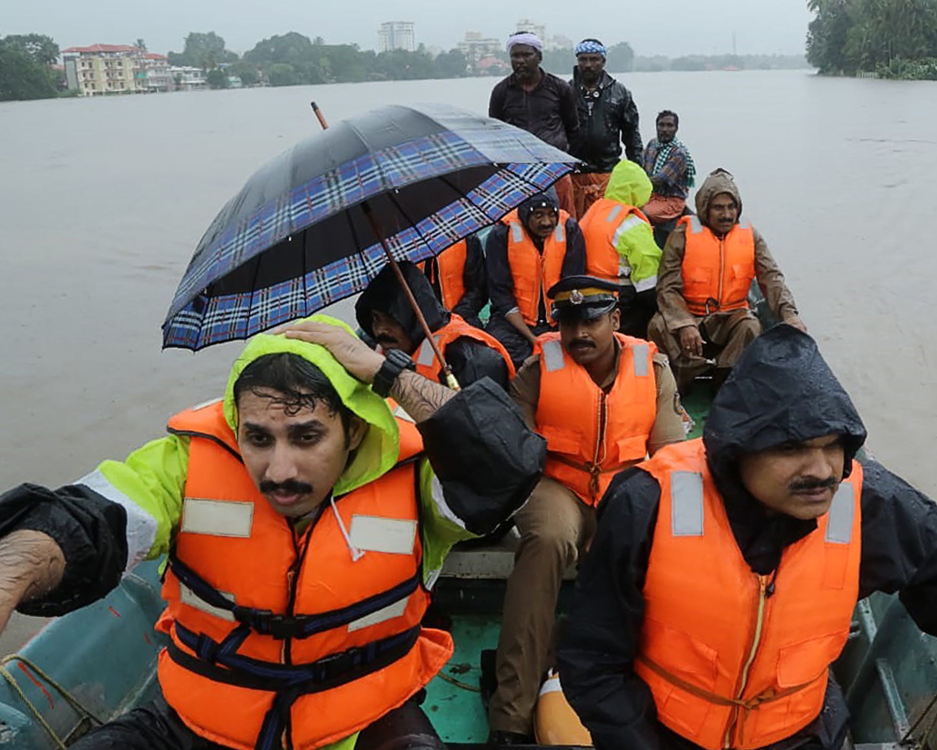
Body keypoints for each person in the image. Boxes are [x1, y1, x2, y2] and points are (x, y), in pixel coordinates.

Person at [0, 316, 545, 750]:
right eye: (258, 439)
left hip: (360, 721)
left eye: (307, 437)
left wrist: (388, 372)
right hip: (200, 718)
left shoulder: (417, 479)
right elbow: (89, 518)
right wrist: (12, 572)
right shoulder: (187, 464)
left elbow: (506, 463)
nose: (279, 470)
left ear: (353, 432)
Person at [557, 324, 937, 750]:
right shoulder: (648, 504)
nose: (823, 470)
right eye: (791, 448)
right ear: (735, 450)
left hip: (801, 732)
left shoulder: (872, 506)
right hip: (665, 732)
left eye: (834, 446)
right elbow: (593, 656)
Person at [488, 276, 688, 746]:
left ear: (616, 320)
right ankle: (511, 715)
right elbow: (517, 452)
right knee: (550, 539)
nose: (578, 333)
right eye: (569, 323)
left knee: (654, 551)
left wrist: (621, 519)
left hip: (627, 487)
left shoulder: (653, 367)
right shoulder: (537, 370)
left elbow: (669, 458)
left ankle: (657, 695)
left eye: (591, 321)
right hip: (556, 485)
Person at [647, 167, 804, 391]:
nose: (727, 214)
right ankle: (680, 383)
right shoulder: (681, 236)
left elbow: (772, 278)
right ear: (705, 209)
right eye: (719, 208)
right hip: (692, 315)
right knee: (657, 325)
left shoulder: (751, 236)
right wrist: (684, 324)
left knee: (751, 325)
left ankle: (725, 383)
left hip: (731, 317)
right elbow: (667, 287)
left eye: (731, 207)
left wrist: (790, 315)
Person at [357, 260, 514, 390]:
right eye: (376, 318)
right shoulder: (378, 355)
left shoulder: (472, 360)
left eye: (391, 318)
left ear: (414, 316)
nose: (380, 329)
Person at [484, 190, 586, 366]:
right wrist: (532, 338)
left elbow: (572, 283)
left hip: (558, 319)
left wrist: (558, 331)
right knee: (500, 358)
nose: (546, 222)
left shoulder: (570, 228)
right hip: (514, 322)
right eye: (538, 215)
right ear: (524, 215)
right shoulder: (502, 233)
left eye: (551, 215)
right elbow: (500, 293)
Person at [489, 32, 579, 215]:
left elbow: (573, 128)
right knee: (515, 224)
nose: (520, 61)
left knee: (563, 221)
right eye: (515, 56)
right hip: (516, 172)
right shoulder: (501, 91)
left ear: (539, 57)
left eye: (526, 55)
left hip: (555, 169)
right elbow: (494, 134)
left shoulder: (560, 88)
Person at [579, 160, 662, 339]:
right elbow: (647, 276)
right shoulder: (632, 223)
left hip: (587, 293)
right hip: (621, 299)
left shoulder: (593, 212)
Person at [567, 38, 643, 220]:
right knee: (574, 229)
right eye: (583, 60)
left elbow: (632, 136)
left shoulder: (620, 93)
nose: (588, 65)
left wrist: (638, 172)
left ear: (603, 62)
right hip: (573, 174)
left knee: (606, 227)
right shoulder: (566, 92)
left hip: (608, 174)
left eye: (594, 60)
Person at [641, 111, 697, 245]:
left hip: (671, 201)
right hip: (651, 195)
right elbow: (640, 169)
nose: (665, 129)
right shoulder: (652, 144)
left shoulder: (679, 153)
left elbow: (659, 180)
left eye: (669, 126)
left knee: (640, 214)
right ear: (656, 126)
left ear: (676, 128)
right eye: (661, 125)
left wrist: (636, 185)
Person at [422, 235, 488, 328]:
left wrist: (457, 316)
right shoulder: (405, 248)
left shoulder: (466, 238)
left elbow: (479, 288)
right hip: (423, 325)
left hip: (464, 320)